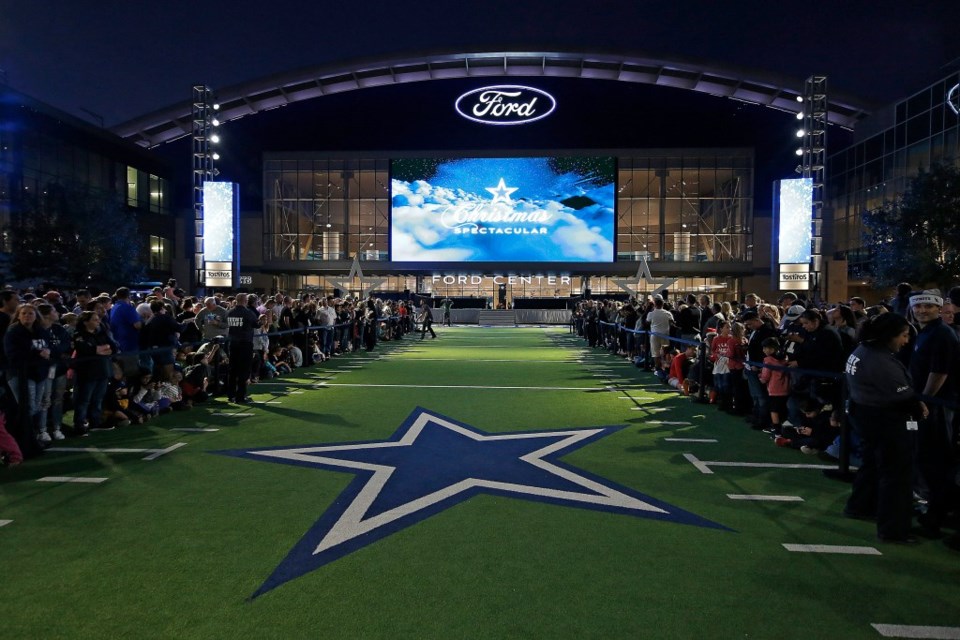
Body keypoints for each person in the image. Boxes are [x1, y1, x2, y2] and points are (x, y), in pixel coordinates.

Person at [844, 312, 926, 543]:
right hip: (884, 419)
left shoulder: (862, 350)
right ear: (889, 335)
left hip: (866, 414)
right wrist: (917, 406)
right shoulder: (879, 361)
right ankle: (893, 529)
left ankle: (860, 506)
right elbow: (902, 394)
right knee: (897, 475)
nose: (906, 341)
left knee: (872, 464)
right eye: (903, 335)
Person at [907, 290, 960, 536]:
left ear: (939, 308)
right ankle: (934, 509)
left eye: (928, 306)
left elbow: (939, 372)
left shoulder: (941, 334)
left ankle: (937, 515)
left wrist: (924, 400)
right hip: (929, 404)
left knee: (935, 458)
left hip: (936, 406)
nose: (922, 310)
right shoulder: (926, 332)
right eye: (918, 307)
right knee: (927, 456)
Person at [4, 305, 54, 447]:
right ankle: (23, 440)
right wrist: (38, 354)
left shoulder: (41, 331)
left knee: (36, 407)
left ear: (36, 315)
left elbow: (51, 346)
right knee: (27, 407)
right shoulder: (13, 332)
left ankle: (31, 438)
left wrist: (49, 352)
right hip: (20, 375)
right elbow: (12, 354)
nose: (27, 316)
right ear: (18, 315)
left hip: (40, 373)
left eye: (31, 313)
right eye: (24, 313)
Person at [71, 310, 118, 436]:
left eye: (98, 319)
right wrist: (100, 349)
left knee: (98, 399)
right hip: (87, 372)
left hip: (103, 370)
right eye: (94, 319)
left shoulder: (101, 333)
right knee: (84, 399)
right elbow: (85, 349)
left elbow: (113, 347)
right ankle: (79, 424)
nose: (98, 321)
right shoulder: (79, 335)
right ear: (86, 322)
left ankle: (95, 422)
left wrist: (99, 350)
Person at [226, 293, 259, 403]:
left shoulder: (230, 312)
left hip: (233, 343)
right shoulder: (248, 313)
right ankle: (240, 396)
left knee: (233, 370)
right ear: (245, 301)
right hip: (245, 343)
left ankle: (231, 394)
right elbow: (256, 324)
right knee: (243, 371)